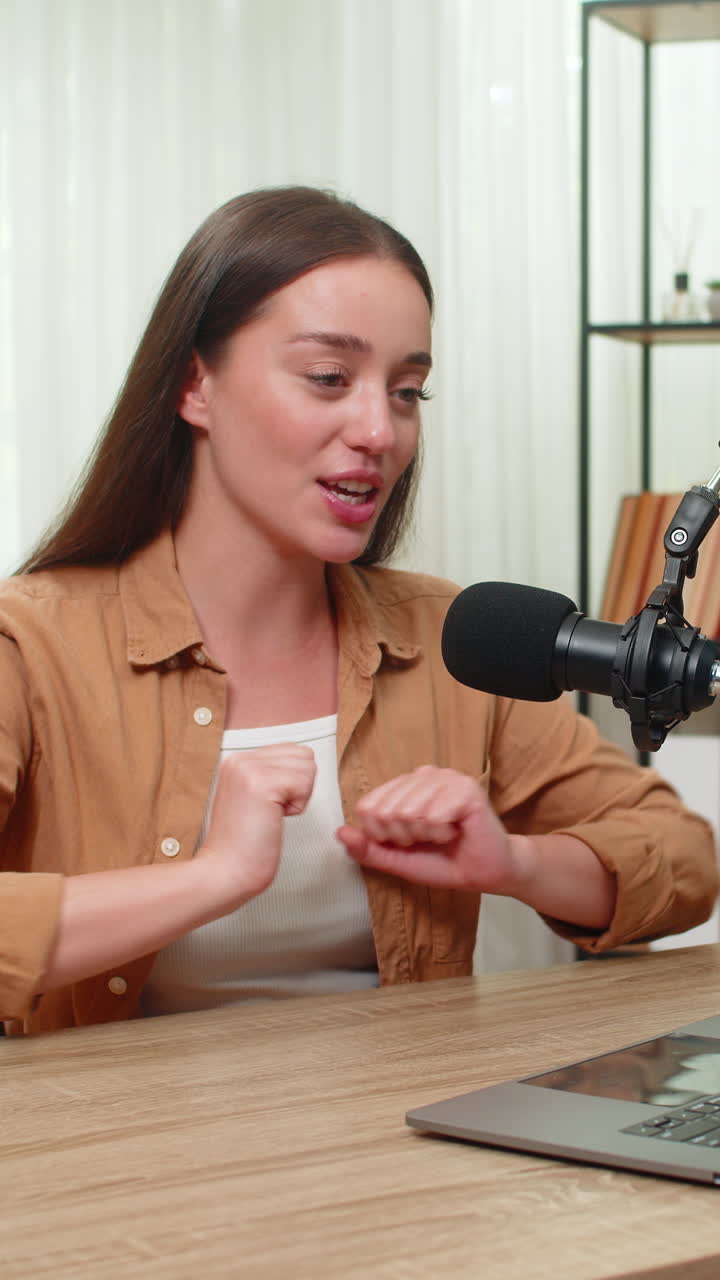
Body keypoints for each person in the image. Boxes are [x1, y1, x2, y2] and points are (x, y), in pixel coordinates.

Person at [0, 186, 717, 1037]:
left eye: (408, 390)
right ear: (195, 385)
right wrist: (216, 876)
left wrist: (515, 861)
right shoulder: (32, 644)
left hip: (395, 1147)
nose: (379, 429)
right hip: (116, 1155)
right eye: (329, 378)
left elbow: (681, 856)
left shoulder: (447, 640)